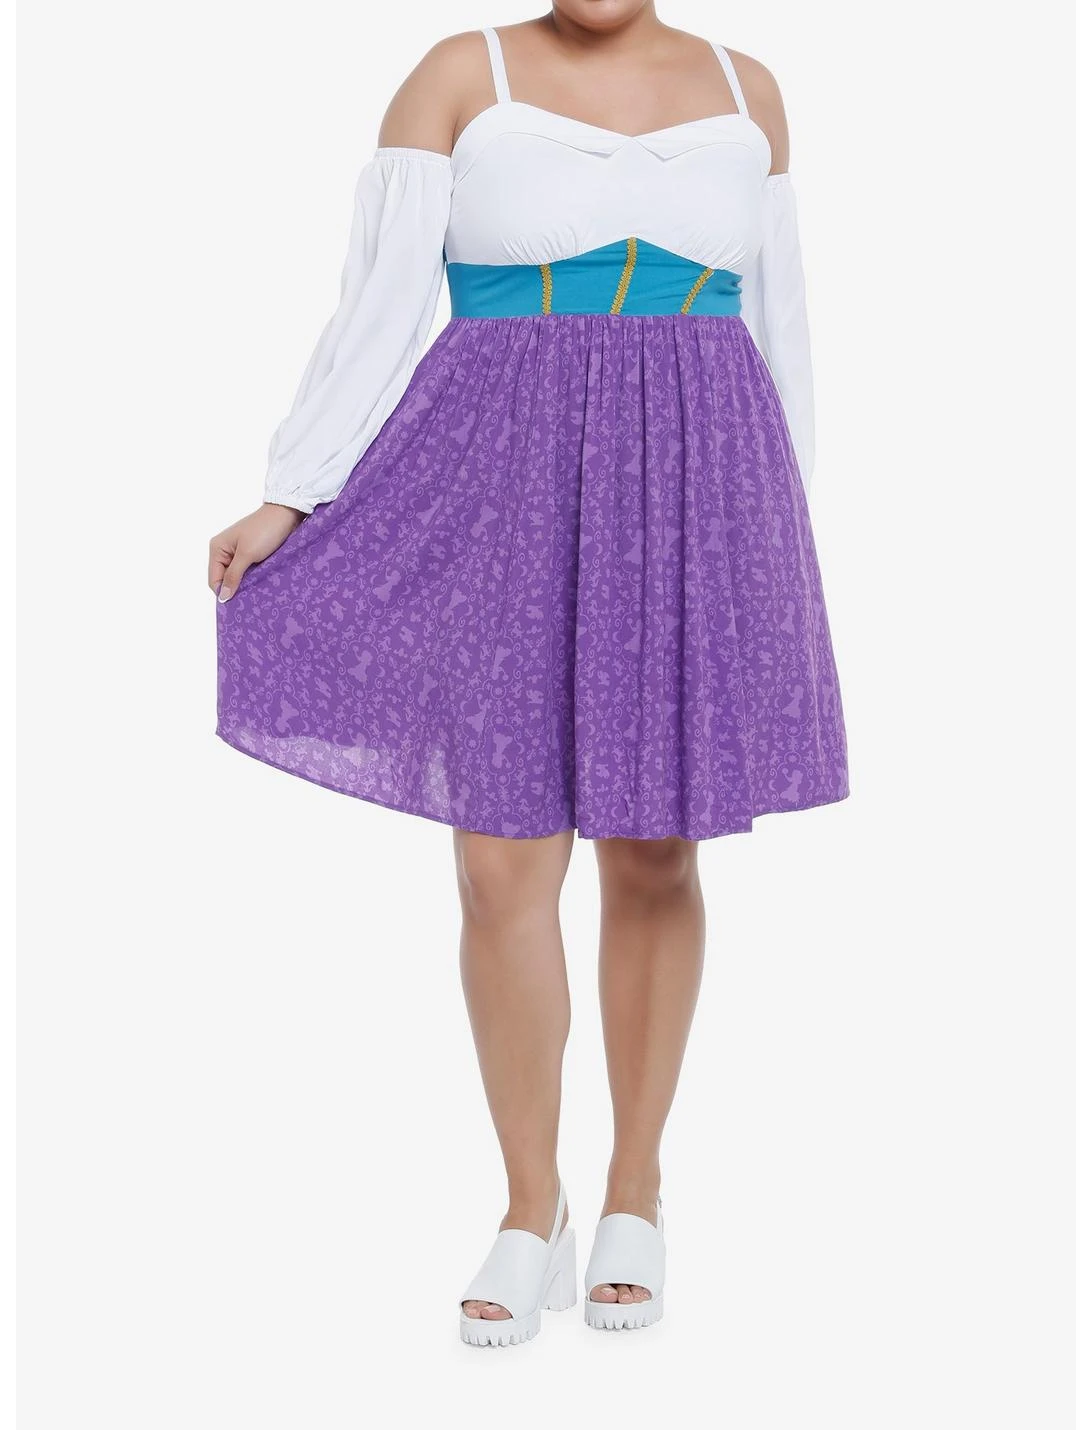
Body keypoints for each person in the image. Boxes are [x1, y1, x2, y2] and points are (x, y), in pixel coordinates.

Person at [209, 4, 849, 1347]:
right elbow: (377, 306)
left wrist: (779, 527)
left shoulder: (749, 88)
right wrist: (292, 488)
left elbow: (779, 315)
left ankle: (635, 1193)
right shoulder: (462, 74)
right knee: (501, 861)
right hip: (496, 470)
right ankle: (526, 1204)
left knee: (656, 851)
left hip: (694, 472)